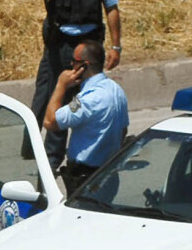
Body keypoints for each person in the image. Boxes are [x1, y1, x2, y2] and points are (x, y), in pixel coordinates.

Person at [30, 0, 122, 172]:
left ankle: (92, 155)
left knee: (86, 97)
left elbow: (111, 8)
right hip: (61, 44)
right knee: (58, 98)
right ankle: (51, 159)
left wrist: (116, 47)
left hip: (89, 43)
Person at [43, 40, 128, 194]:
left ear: (84, 66)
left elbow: (50, 122)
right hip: (109, 174)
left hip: (86, 179)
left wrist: (61, 86)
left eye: (74, 61)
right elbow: (123, 131)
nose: (70, 64)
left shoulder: (87, 100)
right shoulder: (117, 90)